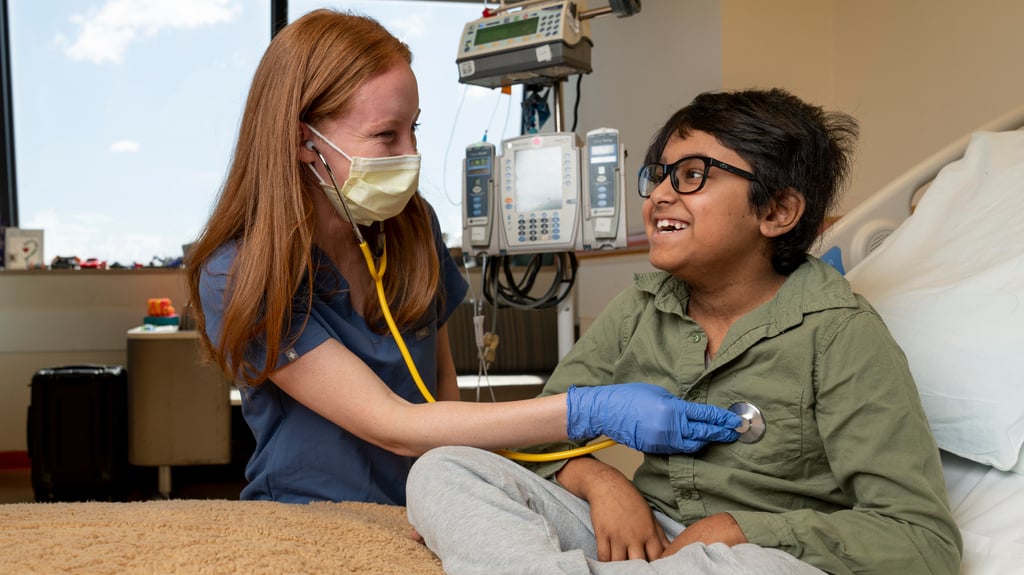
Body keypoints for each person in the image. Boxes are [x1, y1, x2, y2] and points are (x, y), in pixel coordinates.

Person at [184, 9, 743, 506]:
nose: (412, 155)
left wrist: (464, 493)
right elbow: (395, 425)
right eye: (386, 135)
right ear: (304, 141)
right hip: (312, 517)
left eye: (415, 128)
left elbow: (440, 393)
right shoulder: (238, 273)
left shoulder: (409, 227)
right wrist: (591, 411)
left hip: (431, 506)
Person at [406, 88, 963, 574]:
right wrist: (604, 485)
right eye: (660, 175)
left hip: (760, 555)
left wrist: (738, 530)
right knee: (444, 468)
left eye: (692, 175)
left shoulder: (840, 337)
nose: (659, 196)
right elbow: (543, 430)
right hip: (645, 533)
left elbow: (921, 539)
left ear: (777, 212)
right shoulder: (640, 310)